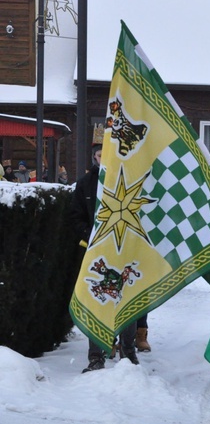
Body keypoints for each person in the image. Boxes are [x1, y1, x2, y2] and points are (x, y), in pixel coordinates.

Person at [70, 144, 139, 372]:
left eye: (107, 155)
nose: (103, 159)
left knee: (126, 299)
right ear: (95, 158)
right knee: (96, 302)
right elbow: (75, 216)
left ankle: (128, 353)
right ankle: (96, 356)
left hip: (124, 252)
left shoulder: (128, 179)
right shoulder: (85, 184)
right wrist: (90, 235)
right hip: (96, 255)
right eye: (100, 155)